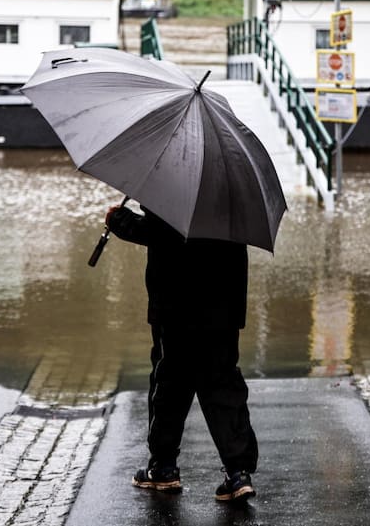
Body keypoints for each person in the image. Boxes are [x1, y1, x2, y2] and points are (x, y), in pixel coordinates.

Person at [105, 203, 258, 502]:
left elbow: (158, 232)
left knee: (169, 385)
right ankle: (238, 472)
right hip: (222, 308)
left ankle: (163, 467)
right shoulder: (232, 190)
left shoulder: (173, 183)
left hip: (175, 305)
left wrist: (118, 220)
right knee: (224, 385)